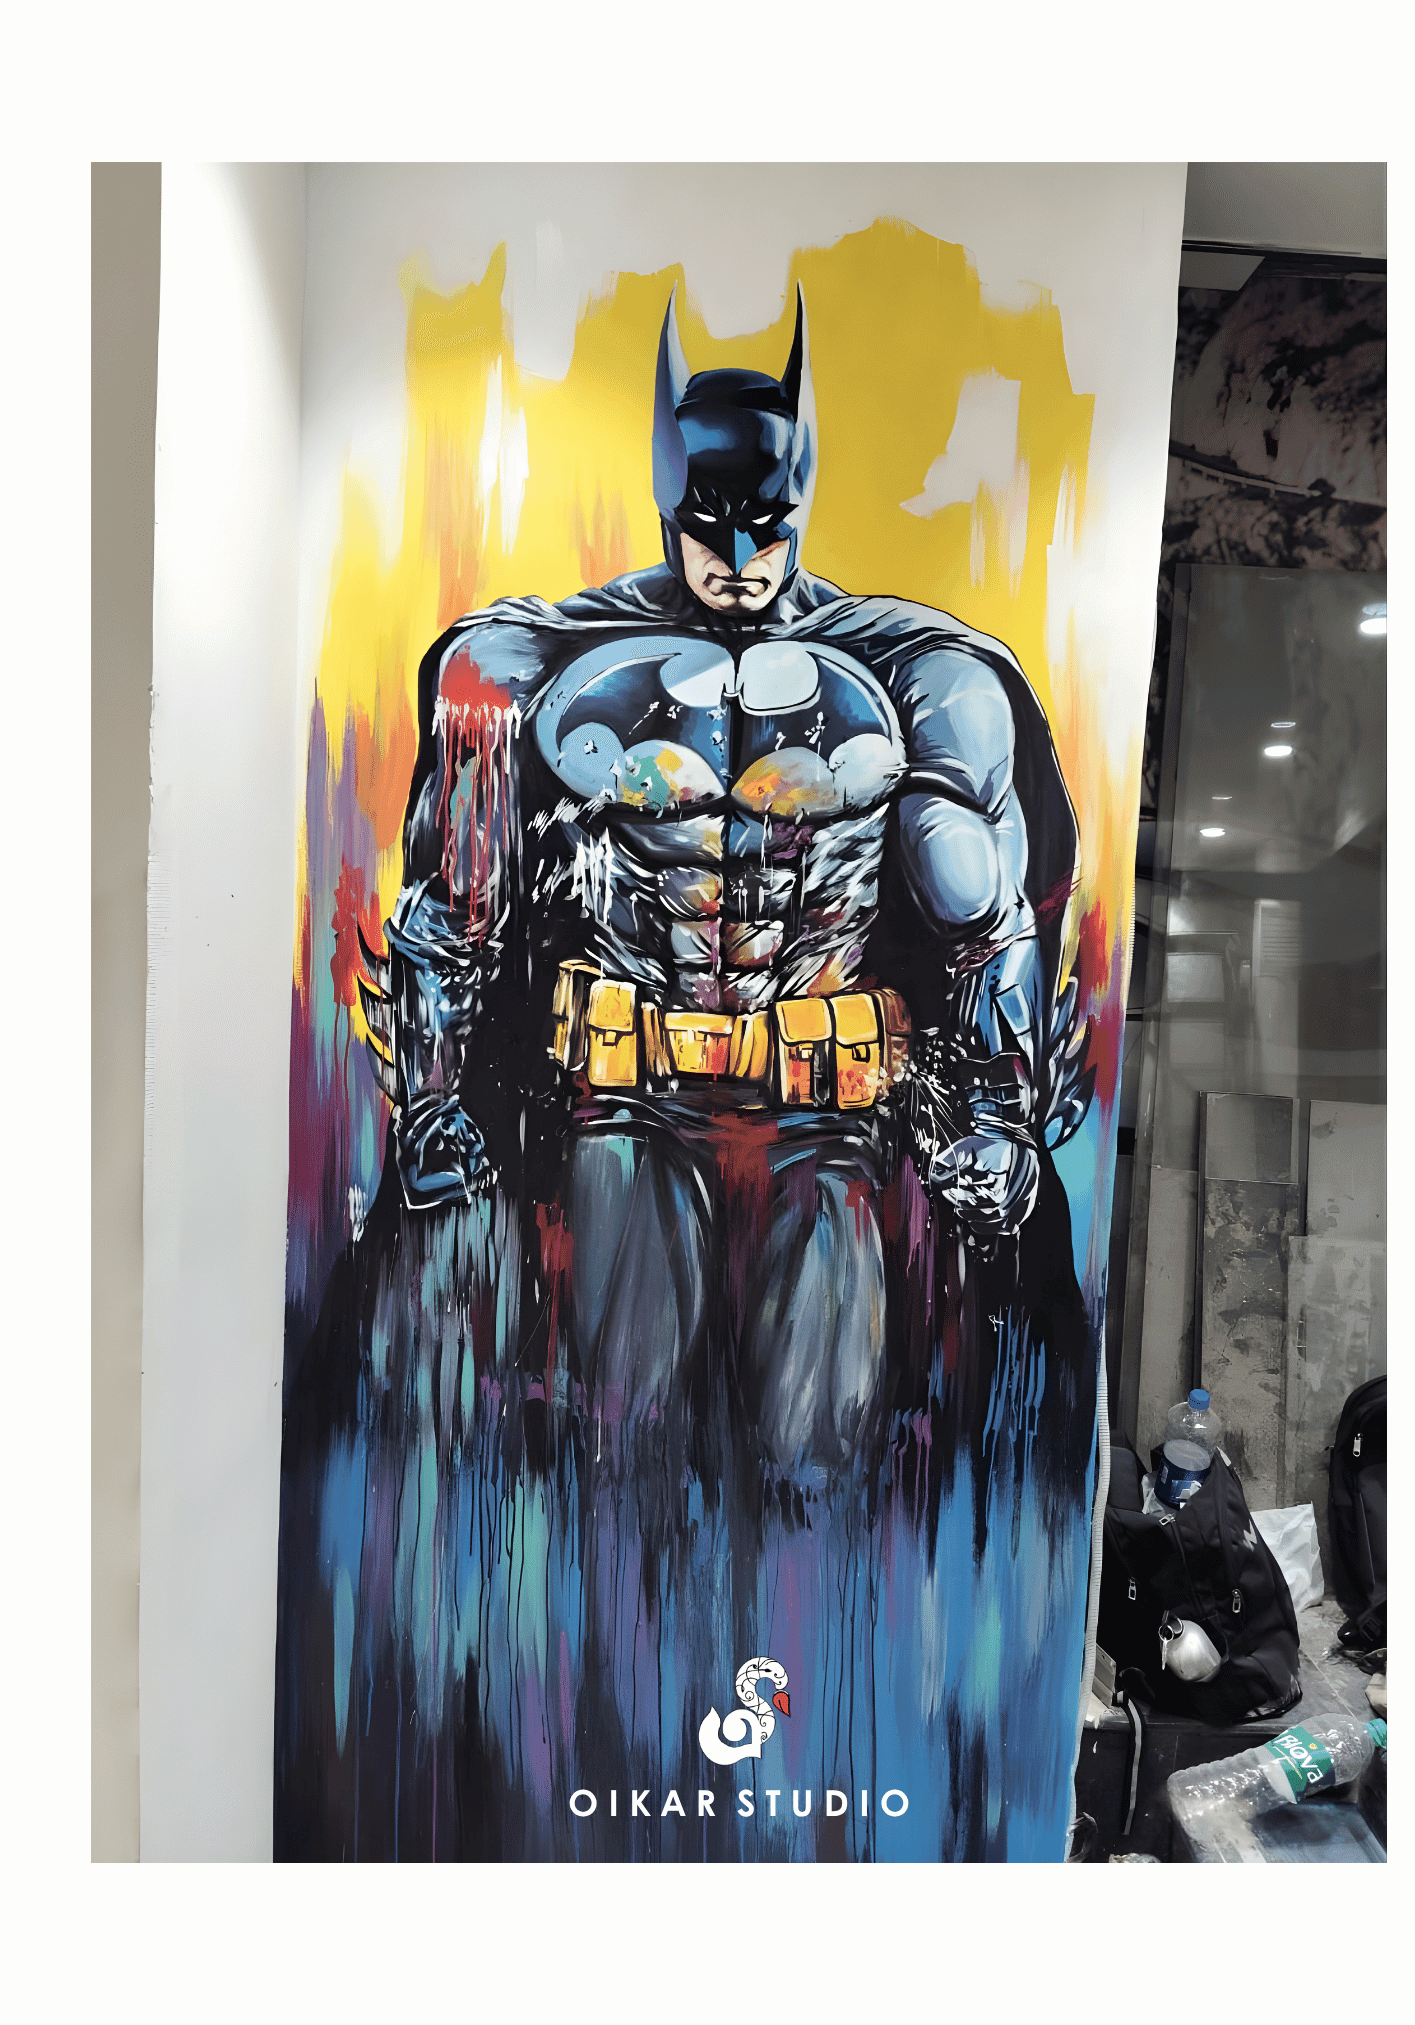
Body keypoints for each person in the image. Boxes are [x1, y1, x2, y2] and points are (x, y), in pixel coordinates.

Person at [358, 285, 1092, 1486]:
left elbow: (985, 919)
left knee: (819, 1452)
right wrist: (435, 1100)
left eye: (769, 529)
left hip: (827, 1113)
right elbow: (458, 908)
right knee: (627, 1442)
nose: (743, 562)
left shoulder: (919, 673)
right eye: (712, 531)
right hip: (622, 1100)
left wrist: (998, 1119)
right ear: (668, 508)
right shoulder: (526, 666)